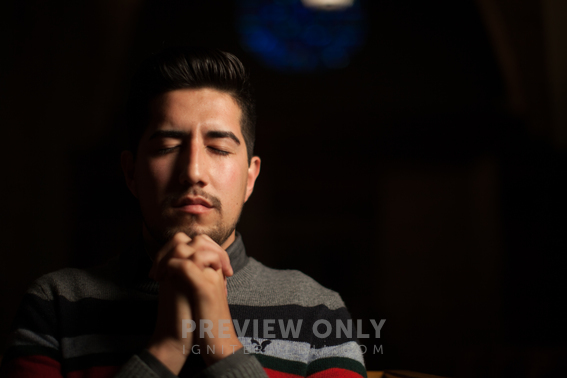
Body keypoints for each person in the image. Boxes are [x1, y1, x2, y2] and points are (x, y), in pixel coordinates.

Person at [0, 47, 366, 378]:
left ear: (250, 177)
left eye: (219, 148)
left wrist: (223, 346)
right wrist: (167, 347)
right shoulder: (55, 304)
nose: (192, 171)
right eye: (168, 146)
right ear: (131, 173)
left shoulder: (316, 311)